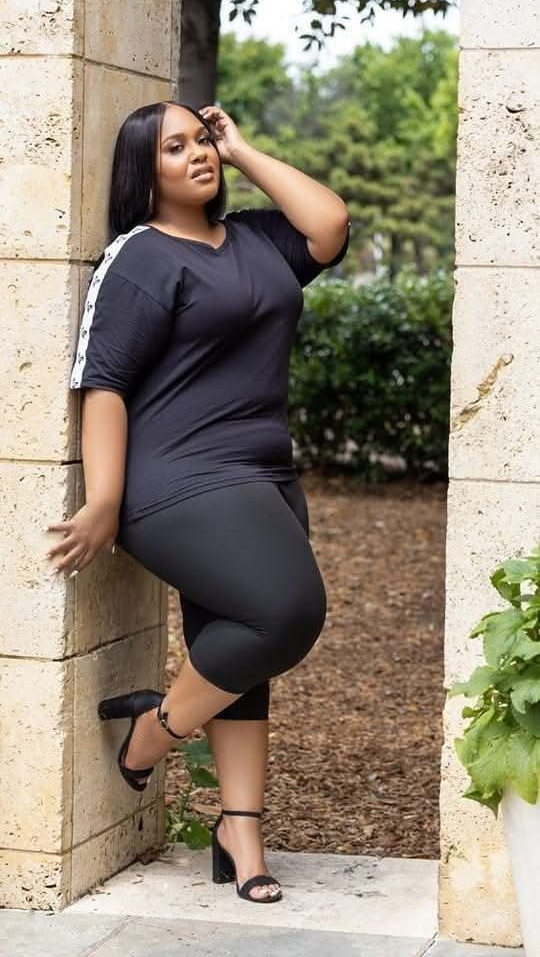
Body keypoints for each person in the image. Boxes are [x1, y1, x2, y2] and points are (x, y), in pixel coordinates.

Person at [45, 99, 350, 903]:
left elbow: (329, 225)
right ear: (143, 172)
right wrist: (104, 501)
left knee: (239, 648)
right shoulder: (139, 257)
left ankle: (240, 832)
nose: (198, 154)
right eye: (175, 147)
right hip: (177, 479)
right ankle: (153, 733)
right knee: (286, 612)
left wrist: (243, 149)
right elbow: (102, 384)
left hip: (265, 475)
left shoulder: (254, 239)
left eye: (202, 139)